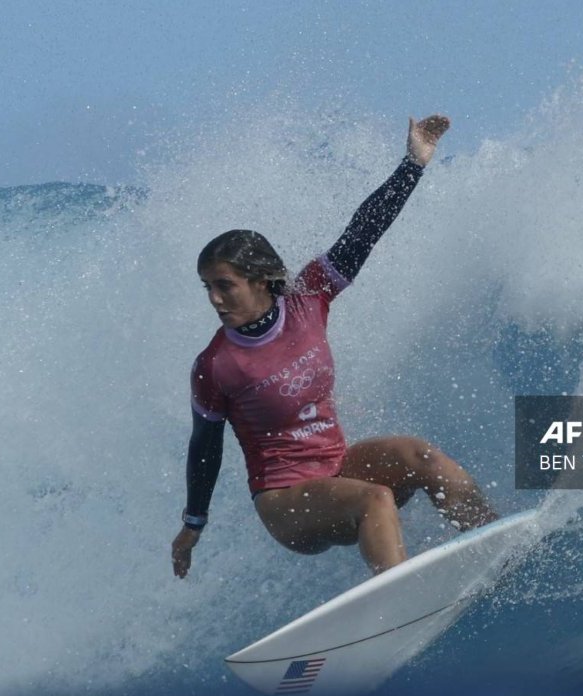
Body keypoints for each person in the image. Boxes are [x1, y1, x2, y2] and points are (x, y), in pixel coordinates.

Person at [172, 114, 498, 578]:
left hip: (337, 467)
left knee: (419, 456)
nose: (215, 299)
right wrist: (193, 525)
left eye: (225, 285)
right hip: (284, 503)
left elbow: (363, 231)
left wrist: (413, 163)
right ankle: (398, 601)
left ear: (261, 279)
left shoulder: (308, 298)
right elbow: (205, 448)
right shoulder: (217, 365)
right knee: (375, 498)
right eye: (207, 287)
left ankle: (497, 548)